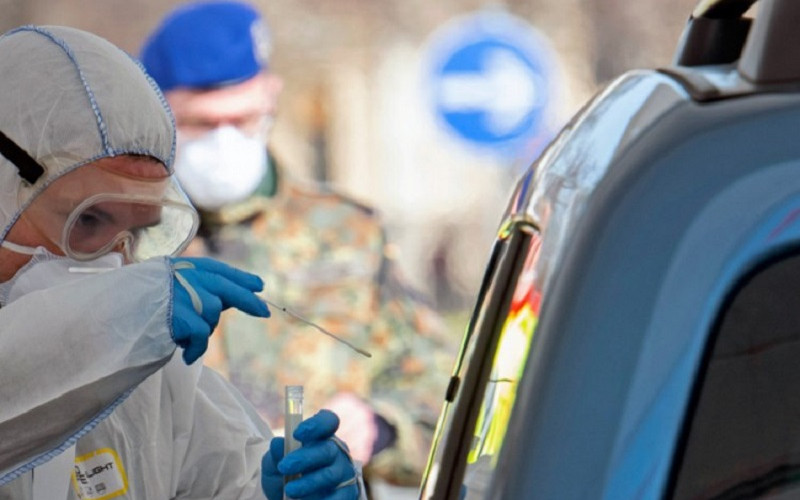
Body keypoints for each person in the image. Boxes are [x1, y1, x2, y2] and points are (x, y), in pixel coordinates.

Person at [0, 24, 364, 500]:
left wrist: (283, 491)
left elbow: (232, 476)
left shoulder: (151, 383)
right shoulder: (110, 342)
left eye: (137, 233)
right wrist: (115, 324)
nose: (114, 265)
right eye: (88, 222)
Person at [139, 0, 458, 489]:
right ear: (158, 116)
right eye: (202, 123)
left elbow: (448, 396)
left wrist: (378, 426)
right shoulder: (119, 239)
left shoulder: (347, 234)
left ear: (271, 97)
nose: (225, 142)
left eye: (243, 119)